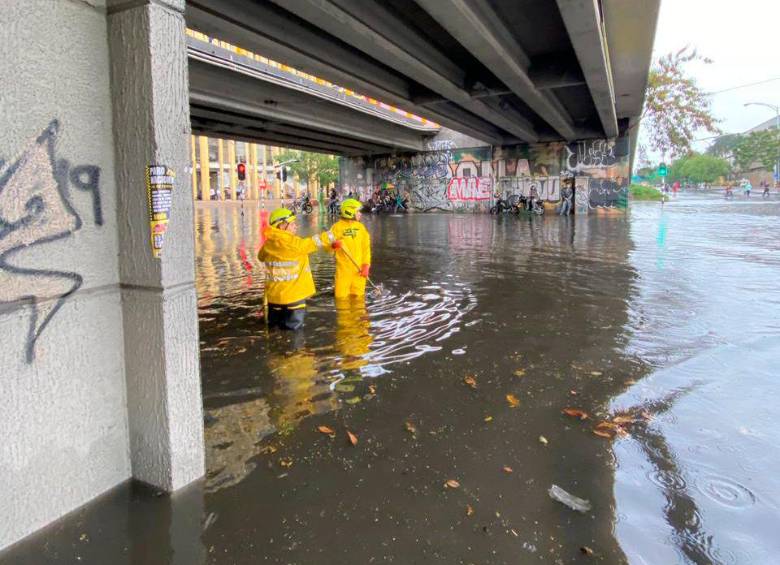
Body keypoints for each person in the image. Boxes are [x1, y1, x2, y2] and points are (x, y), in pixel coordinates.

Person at [258, 207, 341, 330]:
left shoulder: (267, 245)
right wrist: (331, 235)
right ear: (282, 226)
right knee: (294, 335)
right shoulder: (295, 244)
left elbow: (260, 257)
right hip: (294, 300)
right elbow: (314, 242)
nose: (295, 226)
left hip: (273, 299)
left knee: (274, 330)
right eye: (292, 224)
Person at [328, 198, 371, 299]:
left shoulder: (361, 228)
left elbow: (366, 248)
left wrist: (366, 265)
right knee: (341, 299)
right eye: (357, 211)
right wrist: (333, 246)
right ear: (349, 212)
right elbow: (327, 248)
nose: (360, 214)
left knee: (359, 299)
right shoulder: (336, 228)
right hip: (343, 272)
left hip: (359, 271)